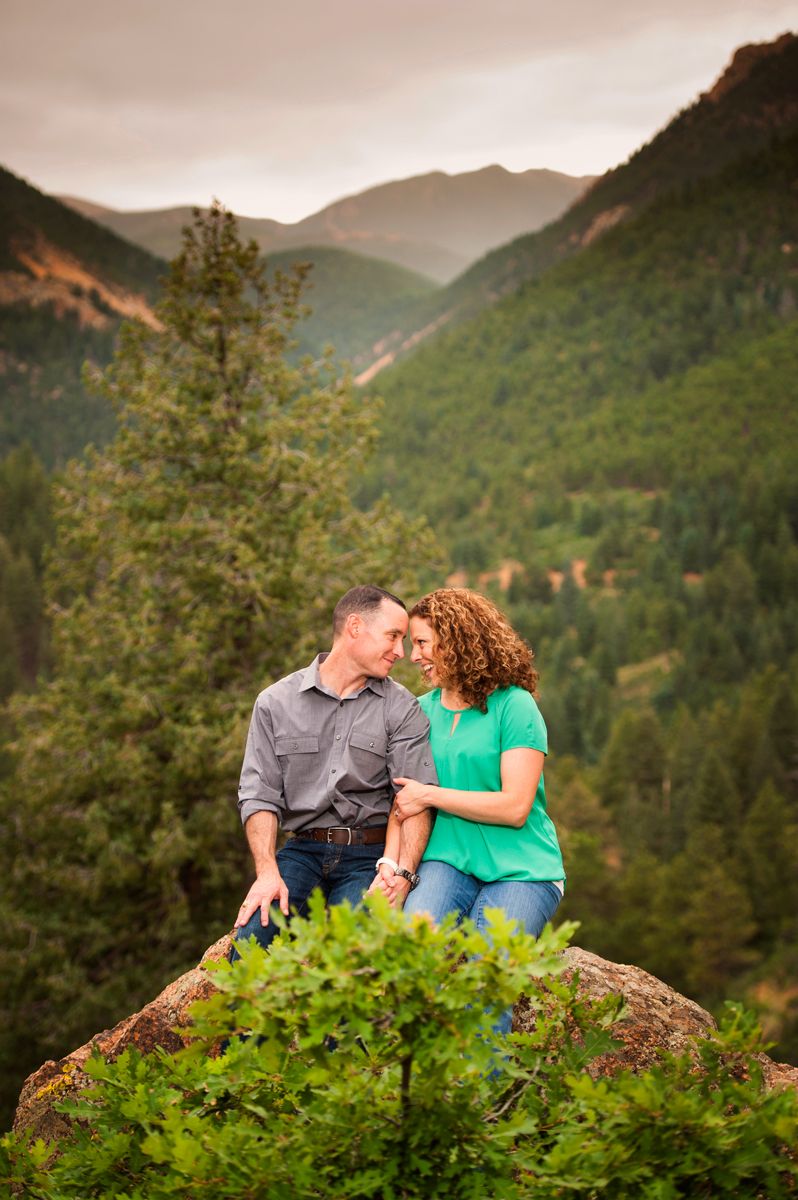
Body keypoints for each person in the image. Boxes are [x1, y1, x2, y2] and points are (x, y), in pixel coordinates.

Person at [391, 587, 565, 1034]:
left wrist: (432, 796)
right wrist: (390, 868)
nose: (413, 655)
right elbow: (399, 799)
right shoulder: (418, 711)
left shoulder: (515, 705)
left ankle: (480, 1099)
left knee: (486, 984)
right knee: (412, 953)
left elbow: (515, 808)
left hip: (521, 869)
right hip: (447, 861)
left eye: (423, 643)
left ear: (457, 641)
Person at [231, 585, 436, 956]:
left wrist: (402, 876)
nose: (400, 652)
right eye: (393, 637)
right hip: (302, 852)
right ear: (355, 627)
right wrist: (266, 872)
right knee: (251, 942)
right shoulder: (275, 703)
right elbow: (259, 795)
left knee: (357, 956)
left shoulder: (401, 707)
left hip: (369, 858)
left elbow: (416, 800)